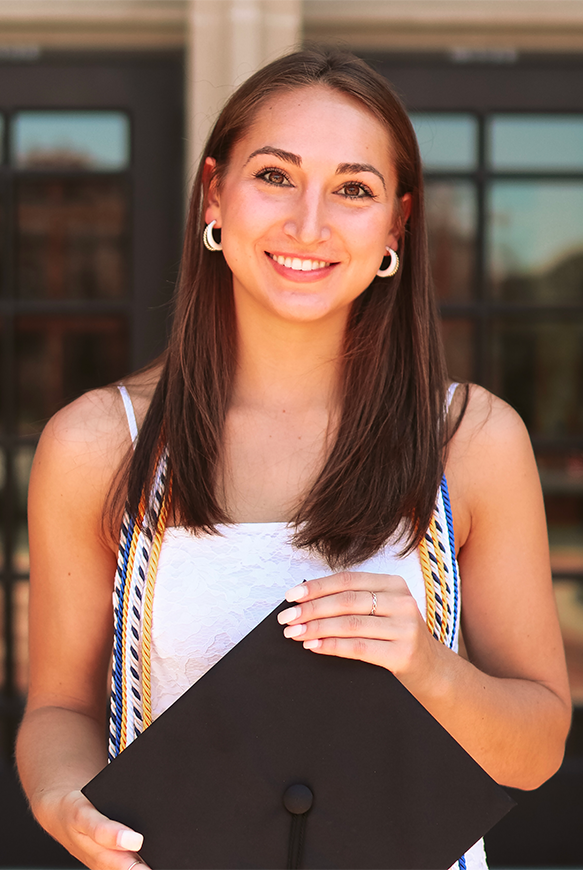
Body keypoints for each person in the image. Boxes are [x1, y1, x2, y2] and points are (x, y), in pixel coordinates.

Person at [16, 48, 570, 870]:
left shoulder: (471, 440)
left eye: (353, 189)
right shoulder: (100, 444)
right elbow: (58, 708)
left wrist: (427, 667)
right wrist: (66, 805)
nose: (308, 223)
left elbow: (536, 748)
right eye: (275, 176)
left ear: (395, 227)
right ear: (214, 192)